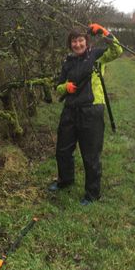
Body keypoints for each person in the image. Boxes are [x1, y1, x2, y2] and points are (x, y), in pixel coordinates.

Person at [48, 23, 123, 205]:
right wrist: (66, 87)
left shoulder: (97, 56)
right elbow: (58, 87)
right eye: (74, 41)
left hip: (92, 110)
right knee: (63, 150)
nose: (77, 44)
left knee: (90, 154)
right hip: (70, 109)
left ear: (86, 41)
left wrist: (105, 32)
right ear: (70, 44)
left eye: (80, 40)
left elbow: (117, 50)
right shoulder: (68, 62)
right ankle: (65, 180)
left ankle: (92, 193)